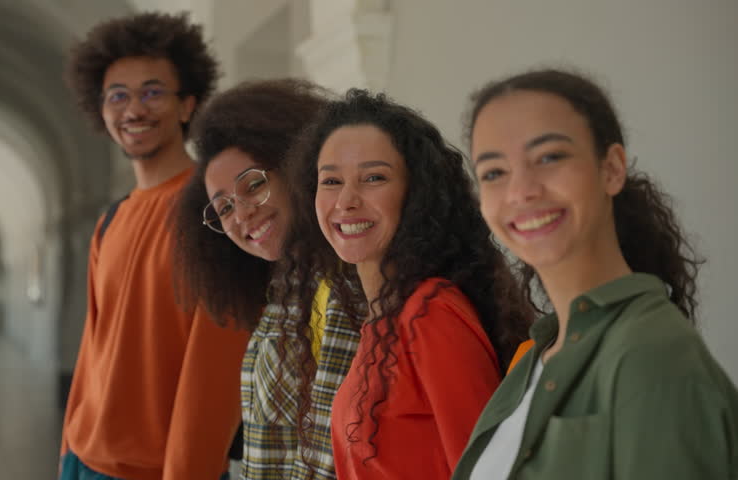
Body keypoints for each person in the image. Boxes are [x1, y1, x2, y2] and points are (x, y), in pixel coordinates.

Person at [453, 68, 738, 479]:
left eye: (549, 157)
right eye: (494, 172)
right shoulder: (537, 356)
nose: (521, 191)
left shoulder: (651, 354)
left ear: (612, 168)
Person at [278, 89, 532, 479]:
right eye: (330, 180)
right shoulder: (380, 316)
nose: (346, 199)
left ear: (416, 194)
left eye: (373, 178)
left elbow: (483, 471)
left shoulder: (430, 312)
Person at [59, 12, 249, 480]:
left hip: (165, 469)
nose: (133, 110)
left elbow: (215, 374)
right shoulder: (111, 219)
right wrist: (67, 451)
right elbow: (92, 352)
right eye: (117, 96)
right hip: (85, 460)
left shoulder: (214, 211)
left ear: (187, 105)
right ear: (101, 111)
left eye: (152, 92)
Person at [174, 78, 361, 480]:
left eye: (254, 185)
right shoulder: (285, 291)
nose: (241, 215)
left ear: (297, 166)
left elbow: (324, 459)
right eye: (223, 208)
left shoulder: (349, 285)